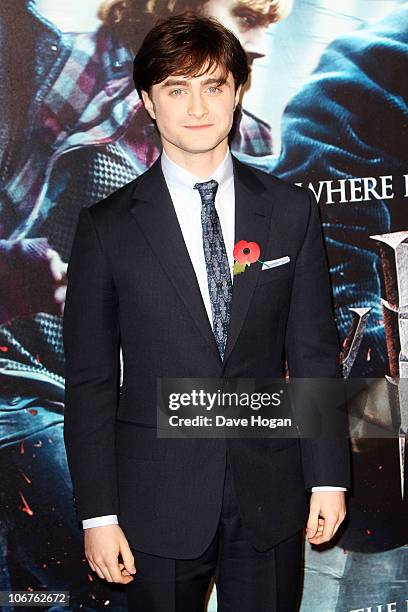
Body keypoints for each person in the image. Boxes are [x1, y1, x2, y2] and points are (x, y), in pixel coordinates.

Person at [63, 12, 350, 611]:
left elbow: (315, 352)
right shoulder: (106, 227)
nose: (197, 106)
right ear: (148, 100)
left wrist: (328, 477)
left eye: (213, 85)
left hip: (271, 496)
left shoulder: (291, 211)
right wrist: (98, 513)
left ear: (238, 92)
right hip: (152, 506)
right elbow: (89, 383)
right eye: (176, 88)